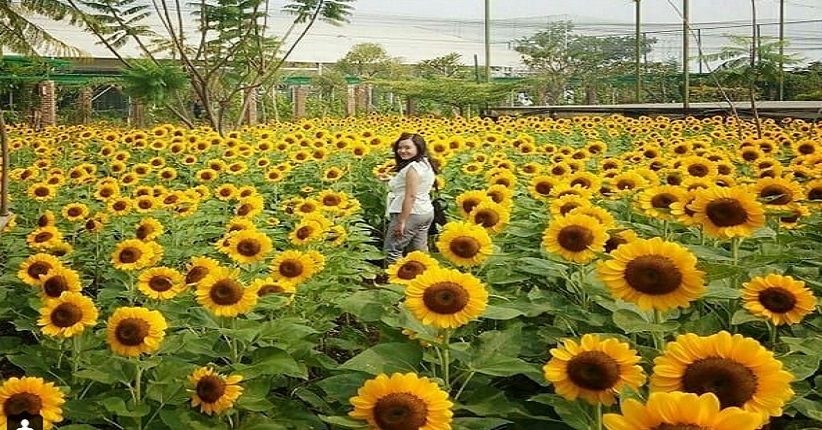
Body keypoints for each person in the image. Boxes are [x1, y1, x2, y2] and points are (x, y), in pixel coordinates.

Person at [381, 132, 437, 265]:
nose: (402, 151)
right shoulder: (425, 163)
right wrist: (392, 180)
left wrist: (401, 221)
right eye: (400, 148)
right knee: (418, 252)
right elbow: (417, 184)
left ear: (418, 147)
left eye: (407, 148)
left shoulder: (412, 168)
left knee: (392, 250)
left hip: (410, 213)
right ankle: (425, 279)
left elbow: (411, 196)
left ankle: (394, 283)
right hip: (425, 212)